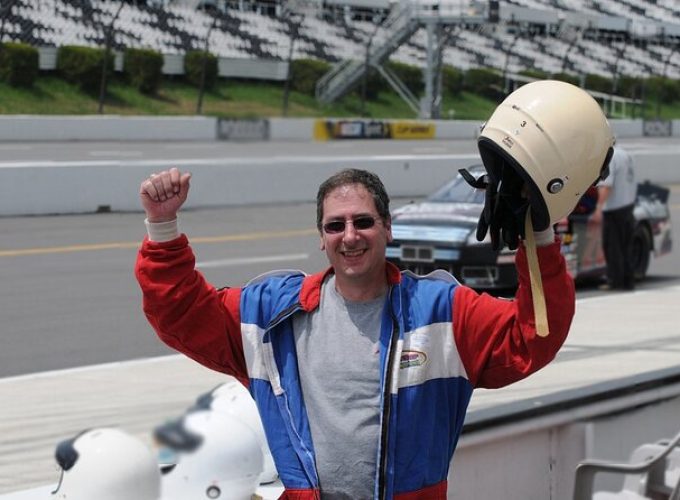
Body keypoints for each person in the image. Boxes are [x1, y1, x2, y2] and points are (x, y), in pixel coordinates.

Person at [135, 166, 574, 499]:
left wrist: (537, 234)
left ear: (388, 227)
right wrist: (162, 226)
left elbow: (535, 335)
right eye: (335, 225)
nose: (350, 237)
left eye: (363, 222)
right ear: (321, 237)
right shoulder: (271, 314)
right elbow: (181, 313)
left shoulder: (442, 312)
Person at [593, 146, 637, 290]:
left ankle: (615, 281)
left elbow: (606, 186)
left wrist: (598, 208)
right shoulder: (626, 154)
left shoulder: (610, 158)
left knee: (612, 247)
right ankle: (628, 280)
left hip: (613, 208)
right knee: (626, 246)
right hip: (628, 205)